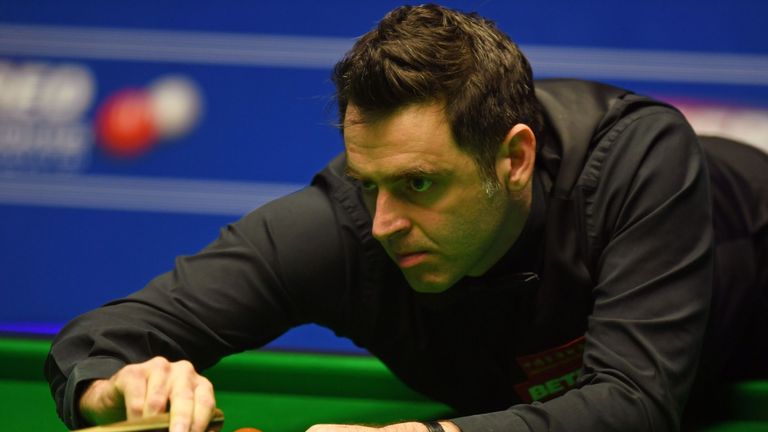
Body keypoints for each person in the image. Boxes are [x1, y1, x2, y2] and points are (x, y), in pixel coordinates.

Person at [45, 4, 768, 432]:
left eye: (421, 182)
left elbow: (635, 400)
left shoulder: (636, 161)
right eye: (371, 182)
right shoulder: (343, 228)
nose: (387, 220)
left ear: (513, 160)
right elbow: (96, 340)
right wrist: (115, 388)